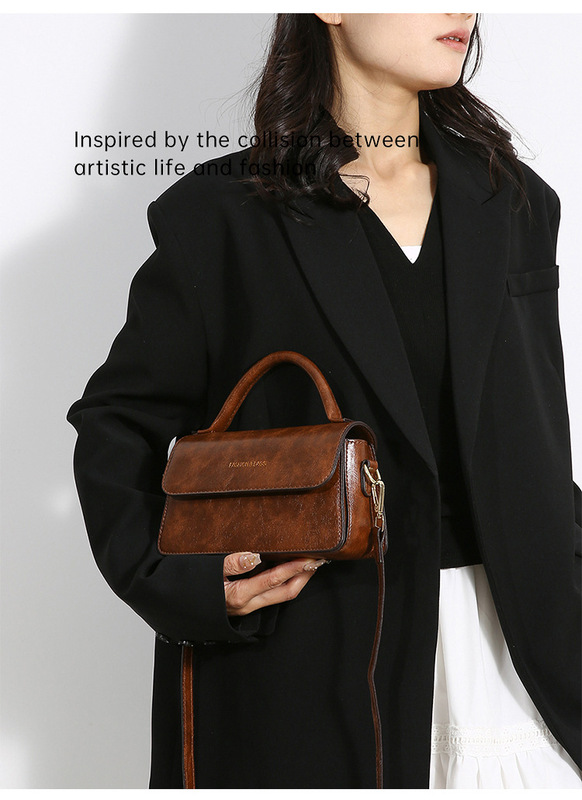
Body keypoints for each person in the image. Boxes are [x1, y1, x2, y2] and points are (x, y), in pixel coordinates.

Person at [67, 13, 582, 789]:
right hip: (315, 660)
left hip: (527, 652)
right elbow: (116, 423)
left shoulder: (514, 201)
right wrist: (184, 582)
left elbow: (538, 427)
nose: (463, 10)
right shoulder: (222, 213)